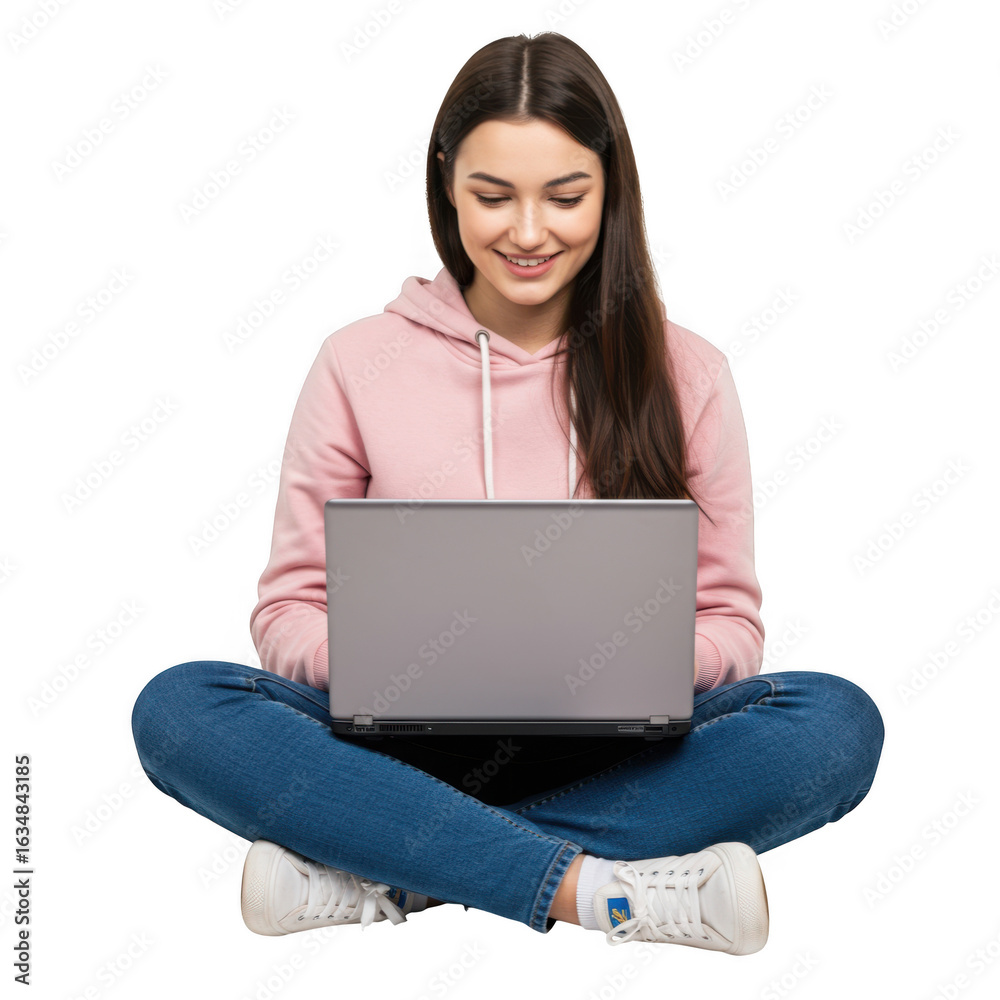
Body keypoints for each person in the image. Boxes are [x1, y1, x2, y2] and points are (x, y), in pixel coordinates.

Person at [130, 32, 884, 954]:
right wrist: (388, 661)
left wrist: (632, 664)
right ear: (446, 182)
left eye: (565, 197)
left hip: (618, 744)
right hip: (395, 738)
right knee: (180, 709)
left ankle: (388, 871)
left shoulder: (687, 373)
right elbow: (290, 608)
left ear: (611, 189)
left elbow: (730, 621)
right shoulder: (358, 362)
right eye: (494, 196)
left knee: (835, 725)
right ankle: (601, 888)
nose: (528, 233)